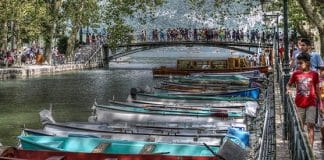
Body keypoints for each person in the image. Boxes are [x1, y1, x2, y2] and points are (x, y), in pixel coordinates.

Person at [287, 53, 321, 147]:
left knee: (311, 125)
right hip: (299, 103)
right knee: (300, 126)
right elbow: (289, 84)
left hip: (311, 103)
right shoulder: (296, 73)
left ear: (308, 63)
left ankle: (310, 149)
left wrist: (321, 104)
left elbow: (317, 89)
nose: (298, 65)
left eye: (300, 63)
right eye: (298, 63)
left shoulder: (314, 74)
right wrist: (288, 90)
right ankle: (301, 146)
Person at [317, 65, 324, 143]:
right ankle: (323, 137)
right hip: (321, 105)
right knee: (322, 124)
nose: (322, 72)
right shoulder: (319, 81)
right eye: (321, 70)